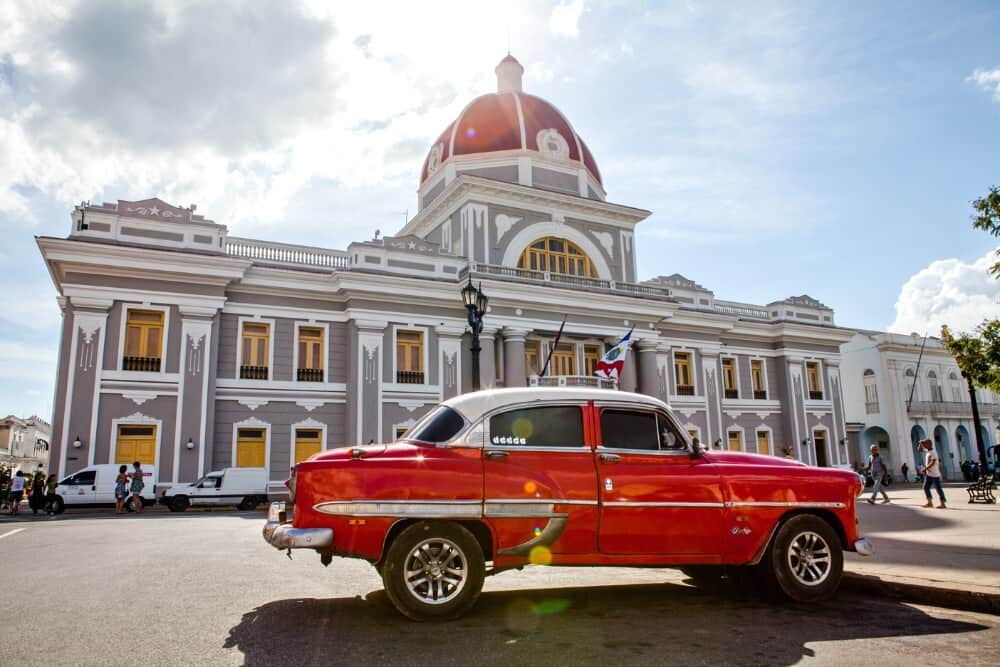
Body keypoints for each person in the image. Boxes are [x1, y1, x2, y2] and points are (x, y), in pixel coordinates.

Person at [918, 438, 946, 508]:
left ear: (929, 444)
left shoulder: (933, 452)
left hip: (935, 474)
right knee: (925, 487)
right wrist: (920, 444)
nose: (924, 446)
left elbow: (932, 462)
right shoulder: (928, 451)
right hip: (929, 474)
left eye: (925, 444)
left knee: (938, 489)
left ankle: (943, 503)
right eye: (924, 444)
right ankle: (929, 502)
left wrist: (925, 469)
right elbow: (919, 450)